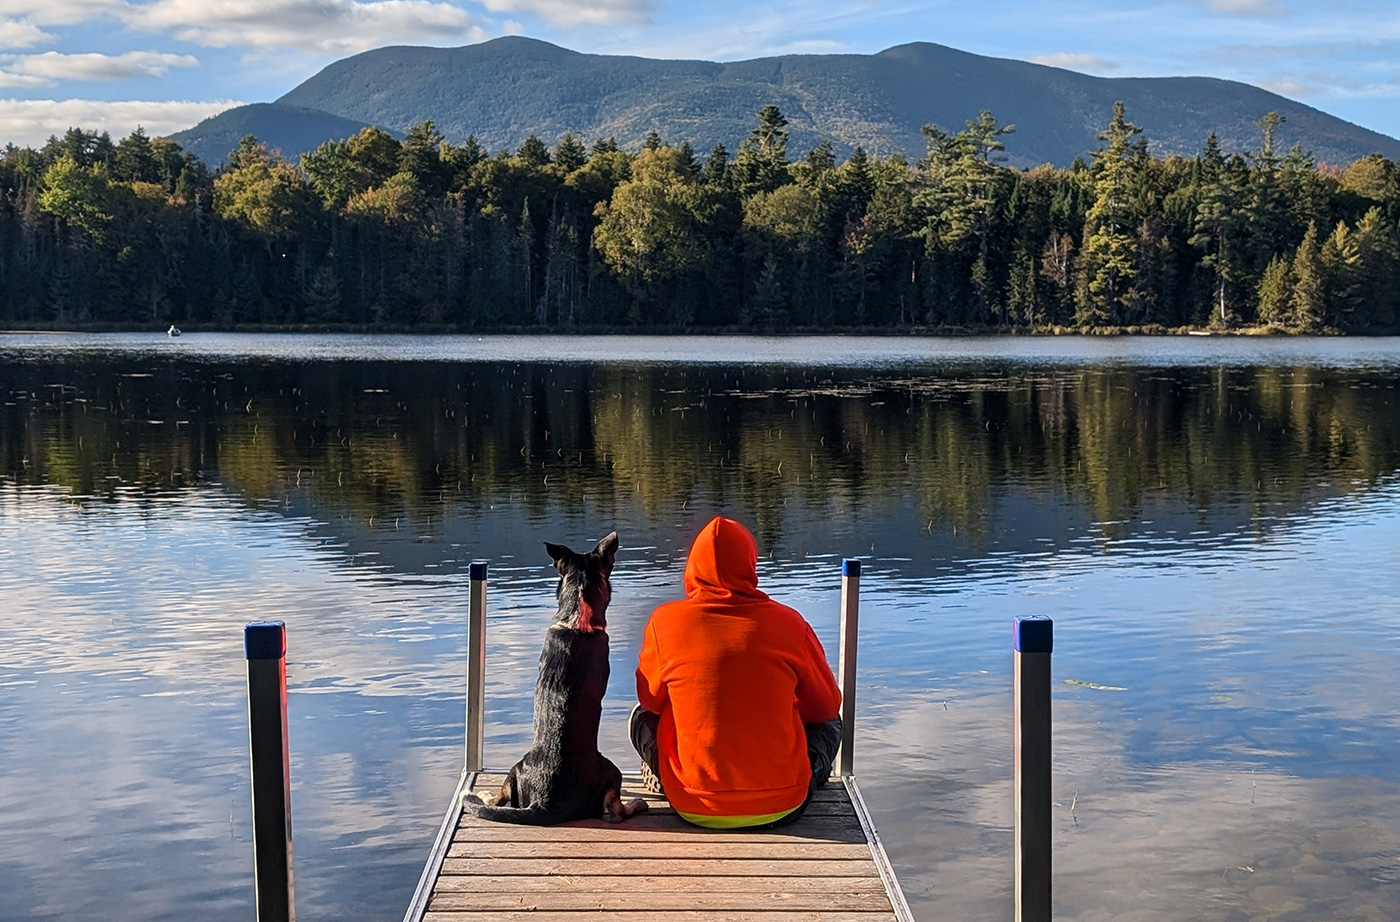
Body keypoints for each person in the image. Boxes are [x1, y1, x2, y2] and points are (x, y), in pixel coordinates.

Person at [630, 516, 842, 829]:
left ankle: (668, 775)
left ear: (693, 567)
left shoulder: (664, 622)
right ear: (750, 565)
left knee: (640, 718)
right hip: (784, 804)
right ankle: (799, 775)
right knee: (831, 724)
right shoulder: (790, 623)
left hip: (691, 805)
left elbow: (650, 701)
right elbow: (825, 707)